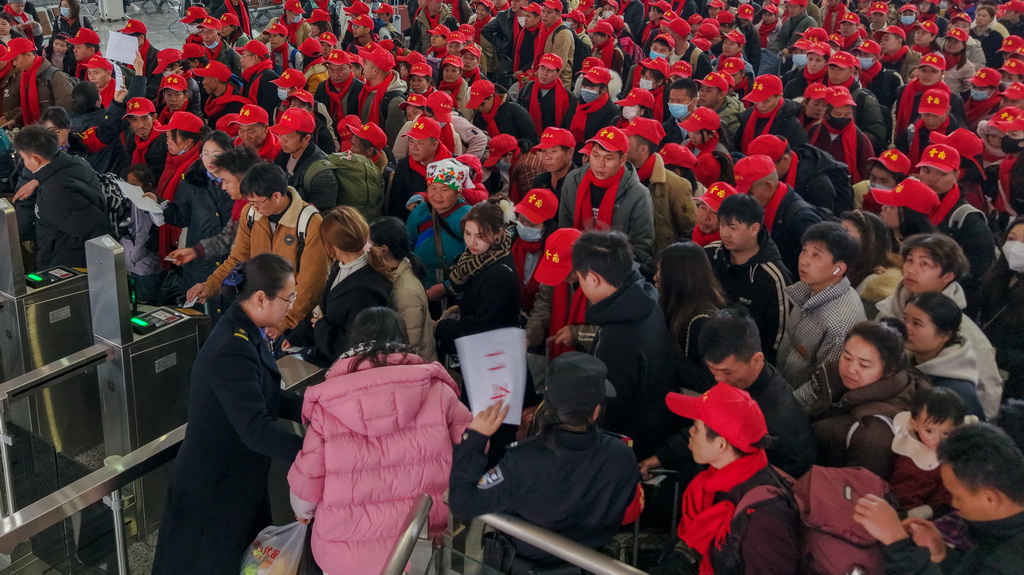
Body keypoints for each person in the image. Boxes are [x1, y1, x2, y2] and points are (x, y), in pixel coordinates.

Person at [287, 307, 471, 574]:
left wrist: (302, 511)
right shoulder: (438, 390)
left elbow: (309, 477)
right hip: (420, 547)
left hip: (346, 554)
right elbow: (473, 448)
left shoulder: (328, 401)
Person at [152, 254, 304, 575]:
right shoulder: (231, 347)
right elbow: (256, 430)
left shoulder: (247, 328)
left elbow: (266, 393)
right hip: (214, 490)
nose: (291, 306)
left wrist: (316, 409)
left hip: (238, 479)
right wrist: (317, 454)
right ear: (261, 298)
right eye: (288, 298)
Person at [449, 352, 640, 569]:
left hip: (525, 566)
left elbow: (462, 502)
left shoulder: (522, 461)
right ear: (596, 411)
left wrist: (474, 438)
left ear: (547, 404)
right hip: (592, 566)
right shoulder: (622, 456)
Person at [664, 383, 801, 575]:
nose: (690, 433)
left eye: (696, 427)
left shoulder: (765, 518)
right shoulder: (713, 482)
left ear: (721, 444)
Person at [854, 423, 1024, 575]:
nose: (953, 504)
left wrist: (897, 542)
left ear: (989, 498)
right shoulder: (998, 529)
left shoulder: (1008, 562)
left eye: (957, 496)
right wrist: (942, 553)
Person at [187, 162, 329, 340]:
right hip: (258, 309)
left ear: (276, 196)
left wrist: (284, 322)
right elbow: (238, 258)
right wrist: (211, 285)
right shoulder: (251, 214)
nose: (252, 207)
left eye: (256, 203)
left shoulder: (310, 224)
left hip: (294, 319)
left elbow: (310, 284)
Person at [572, 230, 676, 459]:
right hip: (656, 426)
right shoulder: (645, 299)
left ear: (592, 278)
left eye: (580, 279)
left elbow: (609, 409)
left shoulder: (619, 335)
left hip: (630, 449)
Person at [876, 233, 1003, 419]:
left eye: (924, 264)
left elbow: (988, 395)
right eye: (910, 260)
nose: (911, 270)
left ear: (948, 276)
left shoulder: (963, 333)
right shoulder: (890, 307)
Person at [805, 318, 931, 479]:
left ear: (890, 370)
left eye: (864, 365)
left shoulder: (875, 433)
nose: (851, 369)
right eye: (847, 357)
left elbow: (860, 487)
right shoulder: (843, 379)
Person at [283, 207, 392, 366]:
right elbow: (325, 312)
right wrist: (297, 336)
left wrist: (321, 327)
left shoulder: (367, 290)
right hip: (324, 355)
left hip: (342, 369)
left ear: (332, 244)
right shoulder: (340, 265)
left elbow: (354, 346)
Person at [778, 222, 866, 389]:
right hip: (782, 384)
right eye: (804, 251)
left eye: (816, 255)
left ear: (838, 269)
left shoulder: (838, 325)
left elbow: (822, 388)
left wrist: (784, 407)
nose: (804, 261)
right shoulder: (809, 288)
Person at [11, 125, 112, 268]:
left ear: (35, 159)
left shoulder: (56, 193)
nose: (24, 163)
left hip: (69, 265)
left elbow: (97, 228)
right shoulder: (75, 162)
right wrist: (38, 180)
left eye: (23, 158)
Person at [707, 194, 792, 364]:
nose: (724, 233)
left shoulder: (773, 277)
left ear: (754, 228)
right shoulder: (710, 254)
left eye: (732, 227)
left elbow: (779, 338)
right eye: (722, 224)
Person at [557, 127, 656, 268]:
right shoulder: (573, 181)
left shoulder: (638, 194)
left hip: (613, 271)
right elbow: (564, 229)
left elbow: (641, 248)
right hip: (575, 264)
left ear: (623, 160)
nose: (599, 164)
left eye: (608, 158)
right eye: (595, 155)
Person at [435, 201, 521, 355]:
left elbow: (483, 327)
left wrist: (444, 327)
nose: (471, 242)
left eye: (480, 236)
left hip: (495, 359)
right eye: (468, 233)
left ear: (498, 233)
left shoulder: (499, 273)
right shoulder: (478, 259)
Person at [155, 131, 236, 290]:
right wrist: (160, 204)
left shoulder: (240, 183)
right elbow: (182, 218)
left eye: (216, 154)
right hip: (200, 262)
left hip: (232, 259)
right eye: (205, 154)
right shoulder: (191, 180)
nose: (210, 160)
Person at [890, 387, 976, 519]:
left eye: (946, 432)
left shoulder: (965, 447)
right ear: (914, 424)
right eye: (929, 431)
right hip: (917, 513)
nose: (937, 439)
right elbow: (906, 494)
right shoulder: (910, 458)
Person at [734, 154, 823, 277]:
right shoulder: (759, 207)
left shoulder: (801, 219)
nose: (744, 199)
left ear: (769, 187)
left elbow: (820, 264)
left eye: (749, 193)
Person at [655, 241, 726, 393]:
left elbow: (710, 379)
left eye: (661, 271)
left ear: (676, 277)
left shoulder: (701, 322)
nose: (655, 277)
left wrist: (659, 356)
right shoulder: (680, 308)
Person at [902, 292, 985, 419]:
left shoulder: (957, 391)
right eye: (905, 319)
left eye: (916, 323)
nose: (906, 328)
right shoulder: (902, 362)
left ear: (944, 335)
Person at [623, 117, 696, 254]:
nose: (622, 144)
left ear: (643, 149)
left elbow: (688, 231)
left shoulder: (676, 186)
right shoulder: (621, 175)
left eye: (627, 140)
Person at [369, 217, 437, 361]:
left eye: (369, 244)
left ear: (383, 250)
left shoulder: (405, 292)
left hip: (415, 368)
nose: (365, 249)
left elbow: (410, 344)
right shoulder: (398, 269)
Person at [405, 158, 472, 297]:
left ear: (458, 192)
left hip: (457, 286)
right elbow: (407, 245)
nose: (437, 195)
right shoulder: (420, 212)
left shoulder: (467, 217)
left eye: (445, 190)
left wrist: (446, 287)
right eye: (433, 188)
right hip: (422, 281)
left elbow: (473, 259)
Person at [980, 216, 1024, 400]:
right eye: (1012, 239)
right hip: (987, 375)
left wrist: (1000, 356)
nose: (1016, 247)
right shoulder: (997, 278)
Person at [271, 107, 339, 210]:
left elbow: (321, 216)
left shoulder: (322, 174)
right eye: (280, 134)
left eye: (289, 136)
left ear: (306, 138)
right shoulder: (284, 154)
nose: (282, 140)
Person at [841, 210, 904, 317]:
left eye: (846, 232)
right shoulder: (846, 266)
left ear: (868, 239)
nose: (839, 238)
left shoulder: (876, 287)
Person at [2, 37, 74, 127]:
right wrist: (15, 120)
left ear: (28, 55)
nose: (14, 64)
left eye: (16, 59)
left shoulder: (55, 76)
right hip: (36, 131)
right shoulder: (25, 76)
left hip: (52, 133)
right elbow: (28, 108)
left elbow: (66, 109)